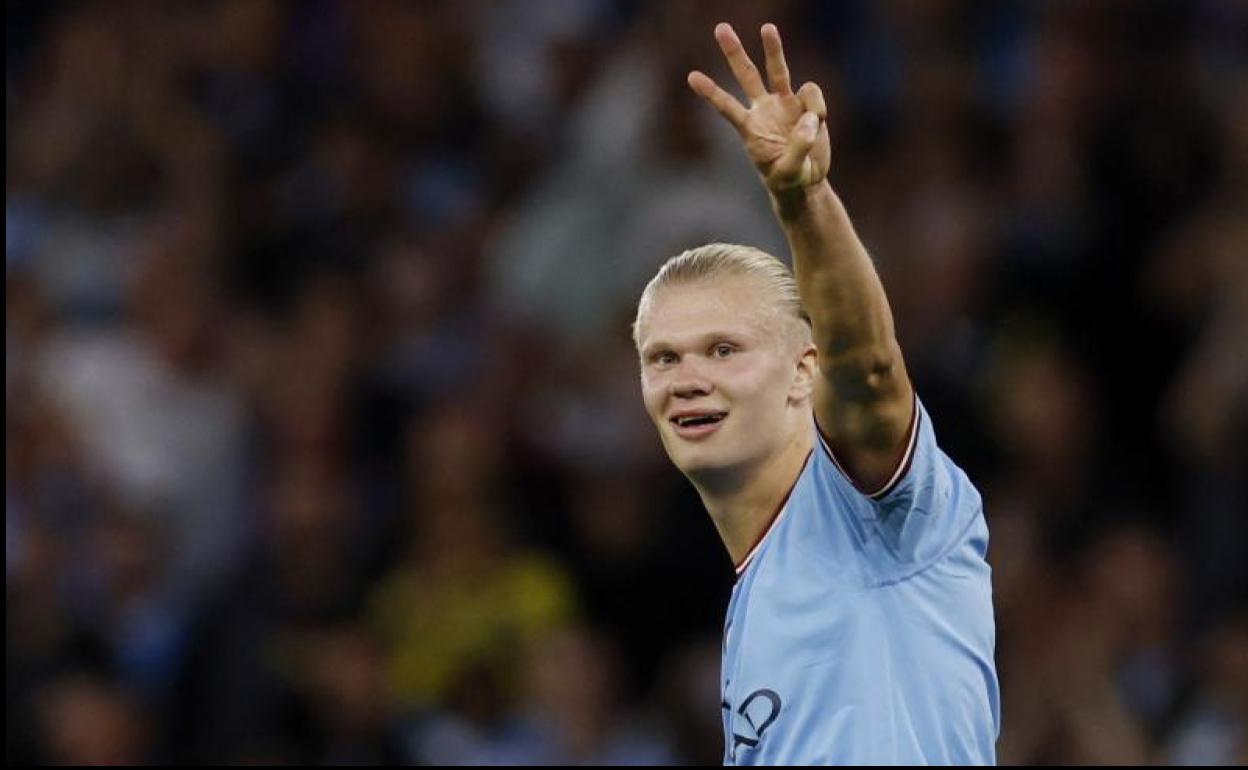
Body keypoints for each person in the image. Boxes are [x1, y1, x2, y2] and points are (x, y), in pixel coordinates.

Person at [632, 23, 999, 764]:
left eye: (724, 349)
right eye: (663, 357)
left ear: (804, 369)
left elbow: (865, 367)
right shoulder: (754, 595)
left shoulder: (874, 511)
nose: (687, 379)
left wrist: (803, 199)